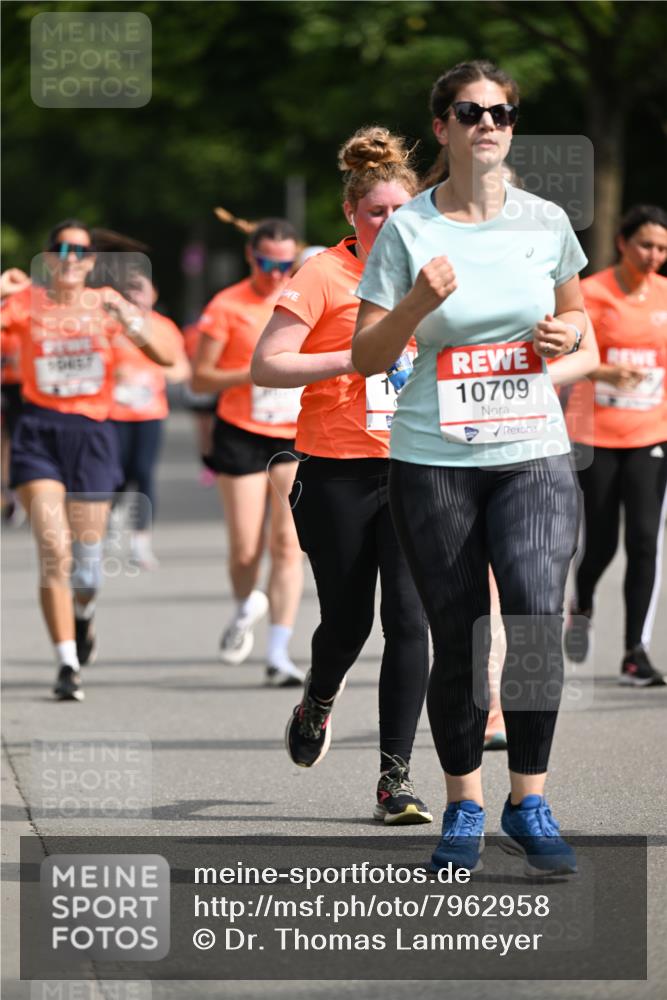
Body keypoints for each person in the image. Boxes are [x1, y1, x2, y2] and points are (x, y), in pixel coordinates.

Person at [352, 60, 599, 875]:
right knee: (455, 636)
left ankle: (528, 798)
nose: (488, 122)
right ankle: (462, 805)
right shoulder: (408, 231)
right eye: (471, 110)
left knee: (531, 618)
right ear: (443, 127)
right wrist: (418, 304)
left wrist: (561, 348)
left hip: (531, 450)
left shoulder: (544, 221)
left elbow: (579, 334)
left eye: (502, 111)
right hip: (432, 460)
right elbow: (366, 355)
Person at [252, 126, 432, 824]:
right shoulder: (322, 274)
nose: (388, 222)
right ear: (351, 214)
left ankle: (395, 781)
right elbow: (267, 365)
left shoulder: (434, 272)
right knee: (348, 622)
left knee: (409, 620)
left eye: (400, 211)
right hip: (335, 471)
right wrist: (354, 358)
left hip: (418, 466)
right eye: (374, 211)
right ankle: (318, 697)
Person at [0, 221, 175, 701]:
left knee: (86, 567)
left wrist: (129, 319)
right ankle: (66, 662)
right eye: (59, 248)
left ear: (91, 261)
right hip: (38, 432)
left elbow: (165, 355)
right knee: (54, 552)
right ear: (47, 257)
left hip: (94, 434)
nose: (69, 257)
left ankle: (83, 616)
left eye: (78, 250)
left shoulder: (105, 305)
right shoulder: (24, 305)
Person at [192, 218, 305, 687]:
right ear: (249, 256)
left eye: (286, 264)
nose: (276, 274)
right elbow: (199, 378)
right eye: (266, 263)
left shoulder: (305, 298)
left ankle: (279, 654)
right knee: (245, 549)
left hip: (294, 435)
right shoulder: (227, 305)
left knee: (287, 544)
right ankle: (245, 609)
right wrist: (253, 373)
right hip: (240, 430)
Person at [563, 204, 667, 686]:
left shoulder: (665, 295)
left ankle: (634, 652)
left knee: (645, 541)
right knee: (601, 543)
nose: (654, 255)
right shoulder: (590, 293)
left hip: (650, 435)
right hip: (595, 435)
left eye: (663, 248)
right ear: (623, 243)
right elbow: (569, 356)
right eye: (646, 245)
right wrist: (606, 371)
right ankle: (581, 602)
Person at [110, 273, 190, 569]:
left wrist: (155, 373)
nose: (135, 296)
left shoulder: (164, 327)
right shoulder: (109, 325)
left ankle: (140, 543)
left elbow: (181, 369)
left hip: (149, 413)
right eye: (129, 290)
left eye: (141, 289)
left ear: (154, 294)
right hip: (112, 413)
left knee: (143, 473)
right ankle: (110, 520)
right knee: (116, 475)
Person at [1, 268, 30, 523]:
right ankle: (9, 493)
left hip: (22, 389)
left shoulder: (28, 315)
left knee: (18, 440)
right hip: (4, 387)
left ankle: (18, 494)